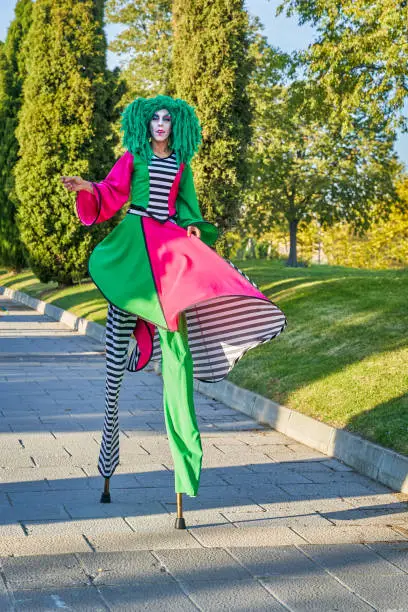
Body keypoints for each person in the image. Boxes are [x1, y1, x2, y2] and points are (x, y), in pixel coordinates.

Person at [61, 95, 286, 526]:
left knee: (178, 361)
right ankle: (107, 456)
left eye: (167, 118)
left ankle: (184, 473)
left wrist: (194, 229)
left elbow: (190, 212)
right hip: (131, 256)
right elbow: (111, 193)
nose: (160, 124)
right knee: (113, 366)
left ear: (176, 124)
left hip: (168, 261)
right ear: (144, 124)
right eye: (154, 118)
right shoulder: (133, 157)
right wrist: (89, 188)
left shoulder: (182, 163)